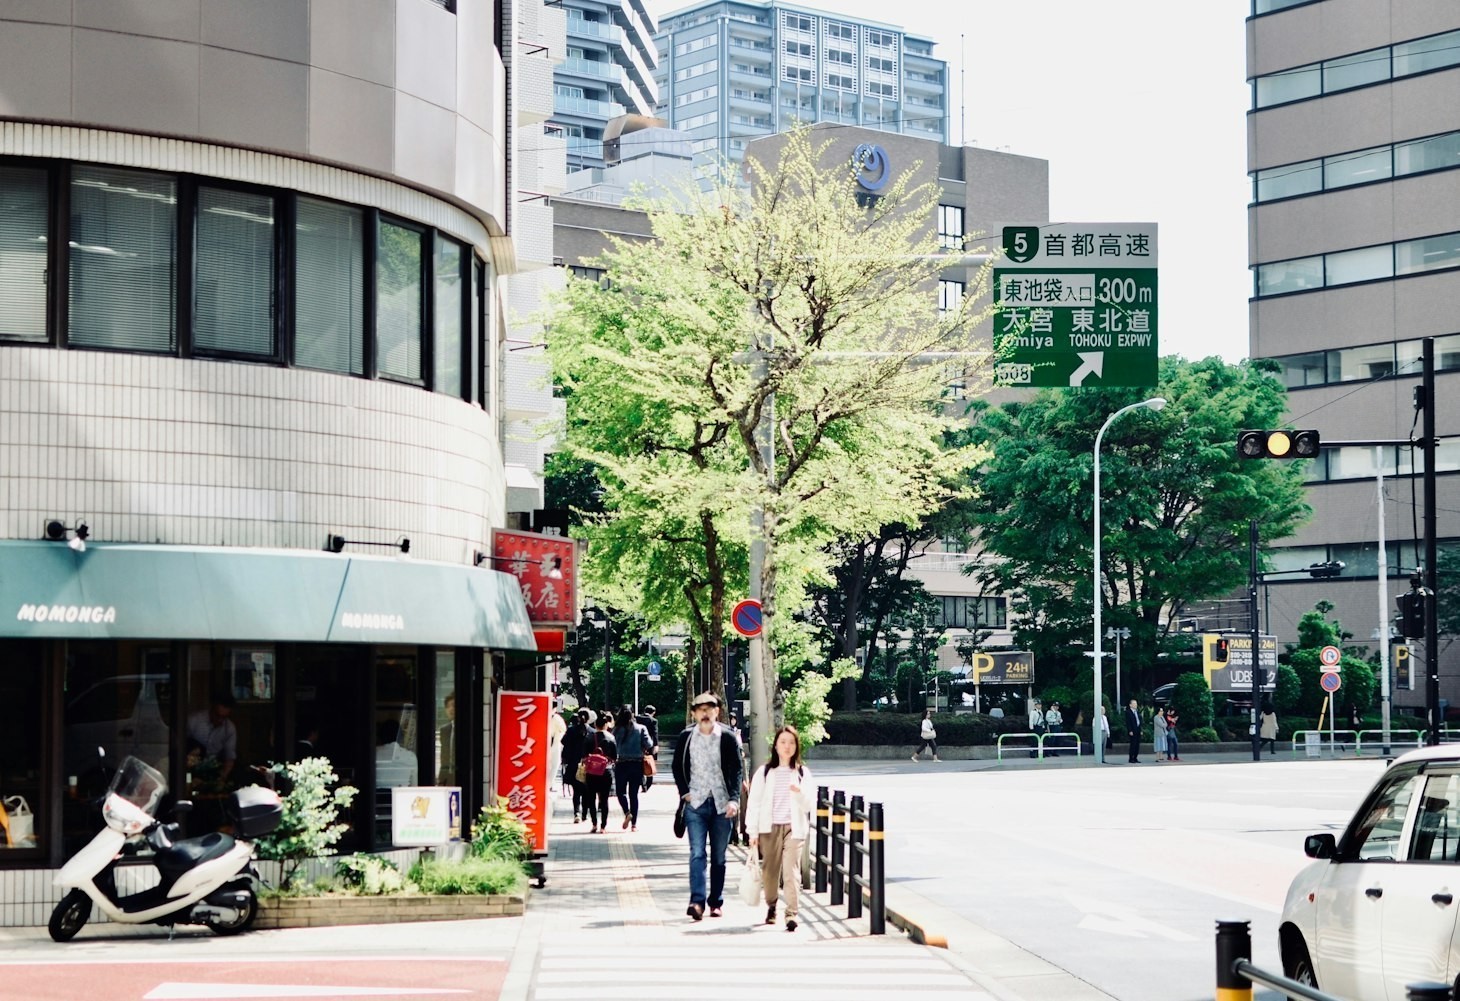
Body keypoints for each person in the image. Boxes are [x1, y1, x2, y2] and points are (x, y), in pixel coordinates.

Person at [672, 691, 743, 921]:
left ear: (717, 712)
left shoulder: (728, 737)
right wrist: (684, 793)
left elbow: (737, 769)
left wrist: (734, 799)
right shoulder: (686, 737)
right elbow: (677, 766)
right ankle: (697, 901)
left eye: (709, 709)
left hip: (722, 804)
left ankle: (716, 902)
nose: (705, 713)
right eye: (700, 709)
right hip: (696, 803)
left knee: (719, 856)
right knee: (697, 853)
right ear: (694, 713)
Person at [745, 725, 815, 933]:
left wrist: (799, 792)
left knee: (791, 872)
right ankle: (772, 905)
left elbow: (809, 805)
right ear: (775, 746)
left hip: (794, 829)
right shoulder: (765, 772)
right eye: (783, 742)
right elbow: (754, 803)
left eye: (791, 742)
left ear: (797, 747)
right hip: (769, 828)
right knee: (770, 872)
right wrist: (752, 832)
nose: (787, 746)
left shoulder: (802, 773)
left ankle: (792, 913)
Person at [613, 707, 653, 831]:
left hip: (621, 764)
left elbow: (612, 744)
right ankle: (634, 825)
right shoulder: (641, 728)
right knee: (633, 794)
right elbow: (649, 744)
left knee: (620, 792)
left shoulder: (616, 729)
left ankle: (627, 812)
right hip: (637, 764)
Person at [186, 693, 238, 782]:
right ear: (212, 708)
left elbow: (229, 758)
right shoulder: (193, 721)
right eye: (217, 716)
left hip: (213, 771)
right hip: (189, 768)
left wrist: (221, 778)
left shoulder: (229, 729)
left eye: (224, 717)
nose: (220, 720)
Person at [582, 712, 617, 834]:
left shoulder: (589, 737)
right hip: (606, 772)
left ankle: (594, 824)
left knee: (591, 799)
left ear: (595, 725)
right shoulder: (611, 738)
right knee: (604, 800)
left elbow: (584, 756)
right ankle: (603, 827)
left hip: (591, 772)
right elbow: (614, 757)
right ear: (606, 725)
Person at [561, 709, 591, 823]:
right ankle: (584, 814)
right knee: (586, 790)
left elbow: (564, 742)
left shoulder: (571, 730)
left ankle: (576, 812)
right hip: (588, 765)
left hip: (574, 764)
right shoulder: (592, 731)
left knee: (576, 791)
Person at [375, 719, 418, 786]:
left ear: (380, 736)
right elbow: (414, 785)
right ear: (401, 737)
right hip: (401, 792)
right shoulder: (410, 757)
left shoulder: (372, 754)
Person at [636, 704, 659, 790]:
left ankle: (642, 784)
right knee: (649, 763)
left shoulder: (637, 718)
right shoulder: (653, 721)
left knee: (639, 765)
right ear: (653, 712)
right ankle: (648, 783)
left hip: (638, 745)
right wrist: (656, 745)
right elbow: (655, 733)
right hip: (649, 745)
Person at [437, 690, 457, 786]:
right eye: (448, 706)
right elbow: (444, 756)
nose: (450, 709)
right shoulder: (444, 730)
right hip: (447, 777)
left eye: (453, 705)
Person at [548, 704, 567, 791]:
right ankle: (549, 784)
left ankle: (548, 783)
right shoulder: (556, 718)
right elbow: (563, 729)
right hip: (554, 742)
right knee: (554, 764)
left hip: (547, 741)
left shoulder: (541, 715)